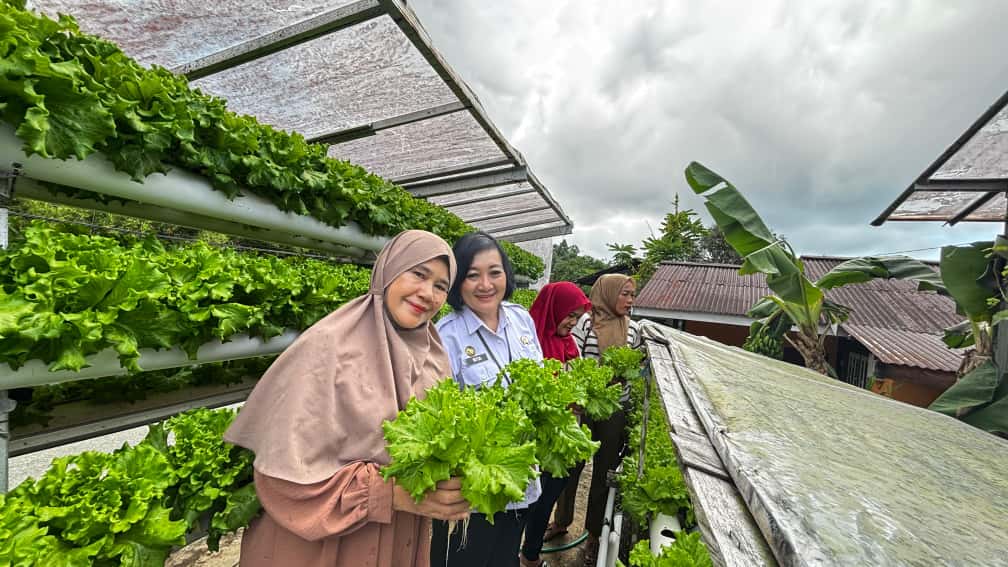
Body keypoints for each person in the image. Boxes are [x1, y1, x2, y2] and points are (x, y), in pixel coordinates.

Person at [223, 230, 471, 567]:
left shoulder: (433, 358)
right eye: (418, 274)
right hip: (325, 546)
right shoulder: (328, 346)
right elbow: (280, 479)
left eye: (441, 286)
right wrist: (391, 493)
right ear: (388, 271)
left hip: (398, 539)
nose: (427, 293)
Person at [431, 231, 544, 567]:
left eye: (494, 272)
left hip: (522, 481)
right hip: (473, 496)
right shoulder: (446, 335)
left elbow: (540, 383)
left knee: (506, 558)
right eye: (472, 275)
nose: (485, 284)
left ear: (506, 274)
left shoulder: (521, 319)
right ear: (458, 282)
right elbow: (442, 417)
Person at [571, 274, 642, 565]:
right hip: (583, 405)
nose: (630, 300)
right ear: (608, 293)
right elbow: (573, 357)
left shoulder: (633, 329)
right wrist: (593, 378)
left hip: (615, 408)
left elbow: (635, 365)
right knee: (571, 466)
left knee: (604, 471)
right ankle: (561, 521)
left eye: (632, 295)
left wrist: (621, 376)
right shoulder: (585, 322)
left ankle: (593, 535)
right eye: (625, 294)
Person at [520, 282, 592, 567]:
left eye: (577, 317)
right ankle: (524, 554)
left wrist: (581, 399)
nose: (573, 322)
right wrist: (561, 403)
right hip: (536, 439)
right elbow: (524, 391)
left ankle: (530, 553)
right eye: (569, 315)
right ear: (554, 309)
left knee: (547, 498)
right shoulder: (528, 342)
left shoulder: (569, 344)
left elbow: (579, 382)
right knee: (528, 501)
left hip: (564, 436)